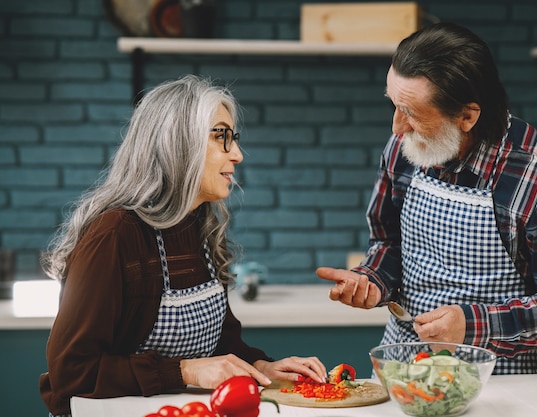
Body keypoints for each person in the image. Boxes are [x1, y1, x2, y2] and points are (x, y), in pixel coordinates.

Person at [316, 22, 537, 374]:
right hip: (403, 370)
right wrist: (373, 281)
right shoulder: (404, 148)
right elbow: (388, 242)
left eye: (411, 113)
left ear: (467, 116)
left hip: (501, 383)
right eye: (394, 105)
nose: (396, 127)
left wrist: (475, 325)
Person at [39, 75, 327, 416]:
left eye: (233, 138)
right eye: (222, 137)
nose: (237, 154)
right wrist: (185, 371)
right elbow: (70, 373)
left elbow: (221, 343)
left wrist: (261, 367)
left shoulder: (198, 225)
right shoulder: (114, 234)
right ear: (179, 143)